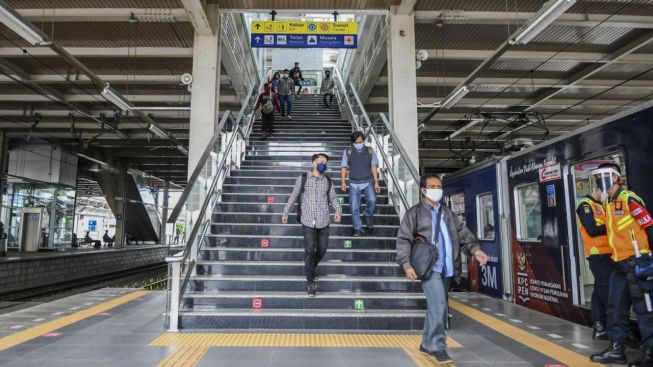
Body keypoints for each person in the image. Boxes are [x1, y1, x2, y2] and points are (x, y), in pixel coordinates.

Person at [396, 173, 488, 364]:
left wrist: (476, 250)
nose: (437, 190)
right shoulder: (415, 213)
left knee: (436, 307)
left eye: (439, 186)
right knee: (439, 306)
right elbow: (403, 239)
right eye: (433, 186)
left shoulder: (448, 213)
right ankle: (438, 347)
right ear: (423, 190)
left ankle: (426, 343)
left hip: (447, 267)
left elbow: (464, 234)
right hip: (429, 268)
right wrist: (406, 264)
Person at [590, 163, 653, 367]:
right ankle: (617, 349)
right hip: (618, 263)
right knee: (615, 306)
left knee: (644, 308)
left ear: (615, 178)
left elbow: (649, 226)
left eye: (603, 177)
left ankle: (650, 351)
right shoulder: (608, 204)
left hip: (636, 260)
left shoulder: (629, 199)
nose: (600, 182)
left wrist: (648, 260)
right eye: (597, 177)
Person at [282, 153, 342, 297]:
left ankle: (310, 268)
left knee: (322, 249)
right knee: (309, 251)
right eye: (321, 161)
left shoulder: (328, 181)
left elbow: (333, 198)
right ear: (314, 163)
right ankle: (311, 283)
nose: (323, 164)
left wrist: (338, 211)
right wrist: (285, 212)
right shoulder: (302, 179)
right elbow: (294, 195)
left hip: (323, 220)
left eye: (325, 162)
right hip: (308, 220)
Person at [576, 185, 614, 340]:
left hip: (609, 255)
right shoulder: (585, 205)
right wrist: (612, 226)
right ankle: (613, 328)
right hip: (598, 255)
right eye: (607, 192)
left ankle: (599, 326)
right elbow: (591, 230)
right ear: (599, 190)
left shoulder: (602, 206)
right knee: (607, 293)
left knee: (599, 291)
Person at [340, 131, 380, 237]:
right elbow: (344, 167)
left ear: (363, 141)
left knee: (372, 200)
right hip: (354, 183)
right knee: (354, 207)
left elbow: (374, 167)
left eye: (361, 142)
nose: (359, 144)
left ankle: (367, 214)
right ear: (353, 142)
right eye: (357, 142)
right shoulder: (348, 151)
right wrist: (343, 181)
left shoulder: (370, 151)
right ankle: (357, 228)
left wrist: (376, 182)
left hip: (368, 182)